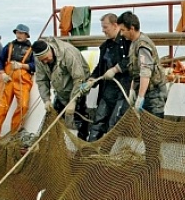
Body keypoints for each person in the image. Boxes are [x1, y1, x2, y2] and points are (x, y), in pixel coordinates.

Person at [32, 37, 90, 140]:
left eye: (46, 58)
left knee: (79, 122)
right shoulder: (39, 59)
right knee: (54, 122)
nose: (45, 61)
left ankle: (83, 148)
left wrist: (73, 101)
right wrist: (46, 100)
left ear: (50, 49)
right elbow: (42, 80)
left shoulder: (67, 52)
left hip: (78, 89)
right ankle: (59, 149)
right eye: (42, 60)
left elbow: (79, 78)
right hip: (61, 92)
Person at [0, 24, 35, 140]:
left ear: (26, 35)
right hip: (7, 80)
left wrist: (23, 65)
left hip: (23, 82)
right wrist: (2, 73)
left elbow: (35, 66)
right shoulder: (9, 46)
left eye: (21, 33)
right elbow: (0, 61)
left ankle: (14, 135)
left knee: (23, 106)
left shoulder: (32, 49)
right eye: (17, 33)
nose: (19, 35)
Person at [86, 13, 131, 142]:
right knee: (98, 121)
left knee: (113, 124)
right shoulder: (105, 46)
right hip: (108, 91)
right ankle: (90, 151)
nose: (103, 30)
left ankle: (105, 155)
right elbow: (100, 66)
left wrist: (116, 69)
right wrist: (91, 80)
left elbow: (131, 60)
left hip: (123, 91)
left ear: (115, 25)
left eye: (105, 27)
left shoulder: (128, 43)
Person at [116, 11, 167, 118]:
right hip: (145, 91)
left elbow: (145, 72)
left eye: (123, 30)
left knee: (154, 129)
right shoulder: (134, 42)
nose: (121, 34)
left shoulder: (142, 45)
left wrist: (140, 97)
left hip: (154, 95)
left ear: (132, 28)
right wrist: (132, 89)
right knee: (145, 129)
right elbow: (135, 70)